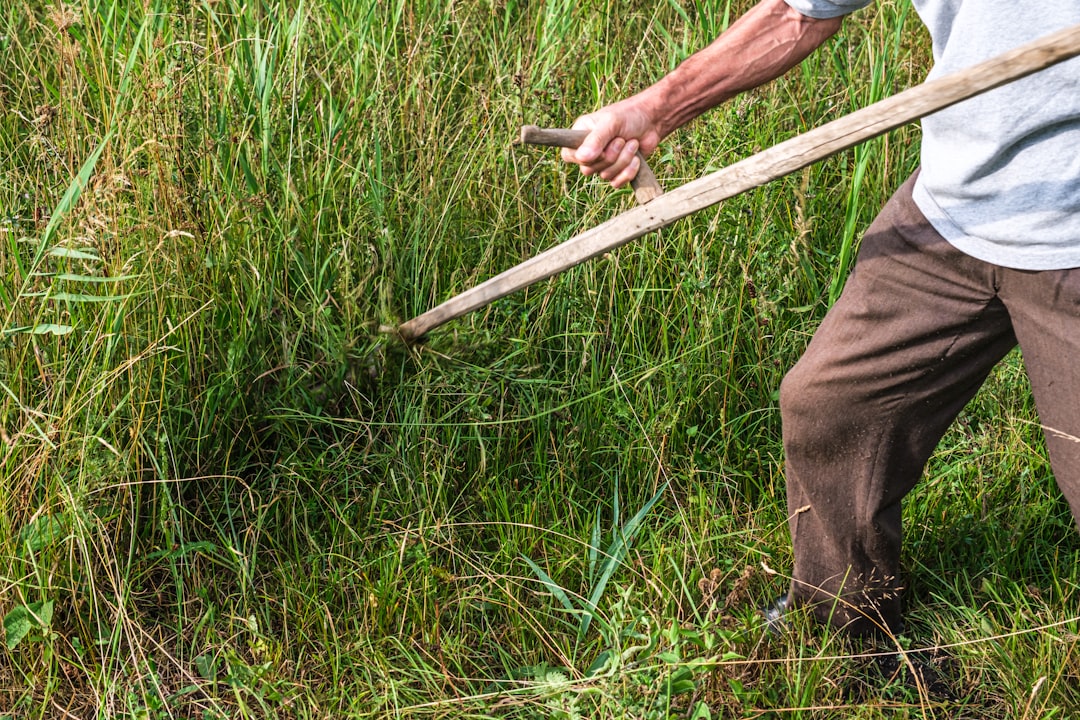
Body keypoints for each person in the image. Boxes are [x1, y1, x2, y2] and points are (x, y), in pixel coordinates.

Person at [561, 0, 1080, 637]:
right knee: (832, 404)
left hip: (1072, 239)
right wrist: (651, 111)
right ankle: (839, 624)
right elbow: (797, 12)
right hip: (952, 207)